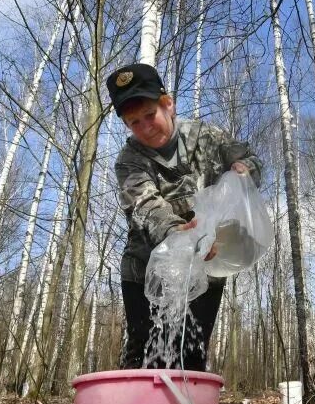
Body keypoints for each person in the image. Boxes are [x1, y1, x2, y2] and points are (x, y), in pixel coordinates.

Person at [108, 63, 262, 371]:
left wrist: (244, 171)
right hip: (144, 270)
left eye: (150, 115)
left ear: (168, 104)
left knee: (190, 355)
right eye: (133, 122)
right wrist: (181, 233)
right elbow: (146, 207)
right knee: (143, 352)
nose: (145, 127)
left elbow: (248, 160)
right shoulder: (129, 161)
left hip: (207, 264)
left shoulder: (207, 137)